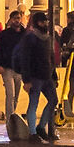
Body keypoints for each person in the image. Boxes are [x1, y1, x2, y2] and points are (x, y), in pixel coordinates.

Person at [19, 10, 58, 139]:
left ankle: (40, 127)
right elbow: (25, 59)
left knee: (53, 100)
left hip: (47, 75)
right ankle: (33, 132)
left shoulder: (47, 37)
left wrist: (54, 76)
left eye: (46, 21)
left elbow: (51, 58)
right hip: (35, 76)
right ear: (37, 23)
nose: (45, 23)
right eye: (43, 21)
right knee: (33, 103)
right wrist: (27, 80)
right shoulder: (30, 38)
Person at [0, 6, 26, 136]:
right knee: (10, 94)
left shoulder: (25, 34)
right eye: (15, 18)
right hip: (7, 68)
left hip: (19, 69)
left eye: (18, 18)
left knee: (16, 94)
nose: (17, 21)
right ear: (10, 20)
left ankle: (13, 114)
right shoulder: (4, 34)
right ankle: (10, 119)